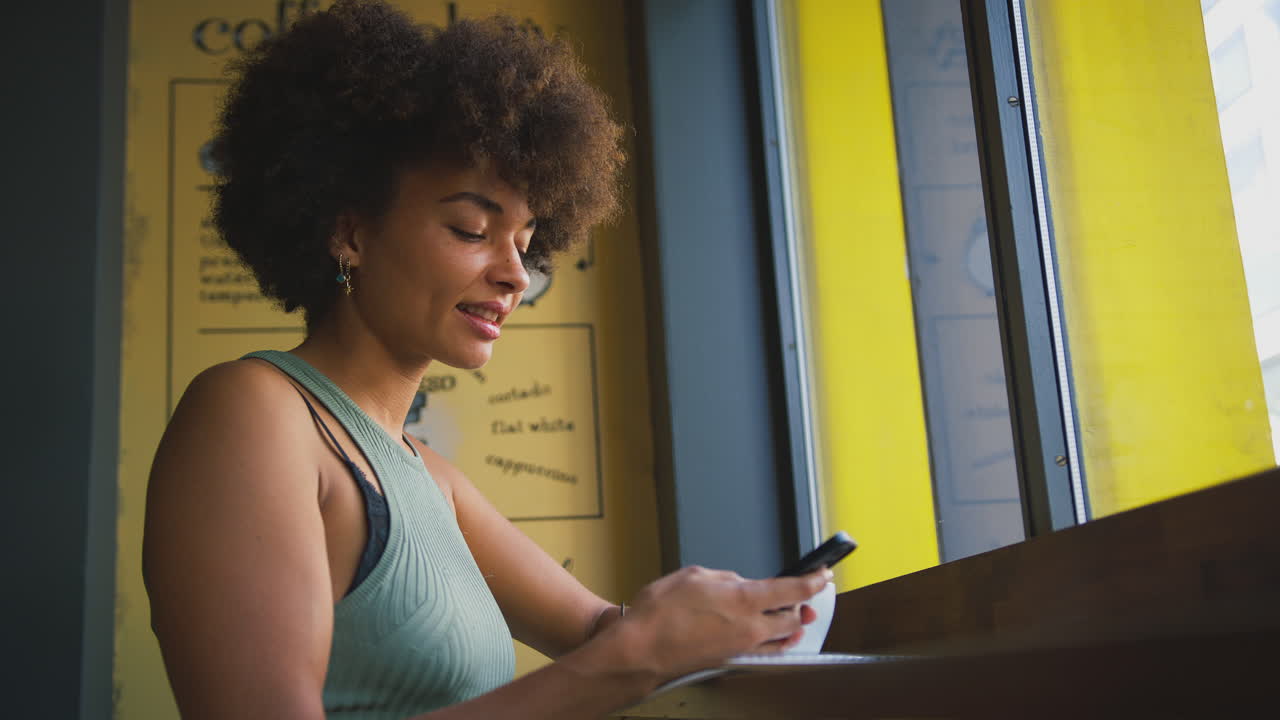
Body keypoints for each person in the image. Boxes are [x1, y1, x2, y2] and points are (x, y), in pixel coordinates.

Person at [142, 2, 831, 718]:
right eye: (471, 229)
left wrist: (725, 617)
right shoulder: (253, 413)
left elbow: (602, 630)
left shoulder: (430, 477)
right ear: (350, 233)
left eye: (526, 243)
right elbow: (623, 654)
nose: (516, 275)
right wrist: (636, 653)